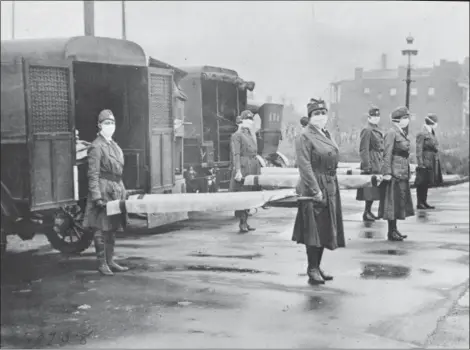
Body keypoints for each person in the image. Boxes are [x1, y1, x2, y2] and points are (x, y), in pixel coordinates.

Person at [292, 98, 345, 285]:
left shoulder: (325, 133)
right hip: (313, 185)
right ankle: (311, 268)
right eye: (316, 114)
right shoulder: (305, 136)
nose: (321, 117)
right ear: (310, 117)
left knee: (324, 228)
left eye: (323, 113)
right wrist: (315, 190)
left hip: (329, 183)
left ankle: (318, 266)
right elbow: (304, 165)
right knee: (313, 231)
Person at [83, 109, 129, 276]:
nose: (110, 126)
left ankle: (110, 260)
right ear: (99, 125)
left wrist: (123, 191)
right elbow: (93, 174)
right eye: (106, 123)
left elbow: (118, 171)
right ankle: (102, 263)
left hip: (115, 189)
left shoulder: (114, 146)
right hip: (103, 189)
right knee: (100, 228)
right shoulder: (96, 146)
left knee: (112, 227)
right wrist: (97, 197)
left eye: (112, 123)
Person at [378, 106, 414, 241]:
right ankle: (391, 231)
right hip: (394, 172)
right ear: (397, 120)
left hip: (401, 172)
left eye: (407, 117)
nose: (407, 120)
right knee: (391, 203)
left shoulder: (401, 132)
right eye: (405, 118)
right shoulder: (391, 133)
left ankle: (394, 230)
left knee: (398, 202)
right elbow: (386, 154)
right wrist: (386, 172)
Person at [229, 110, 261, 233]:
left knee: (250, 194)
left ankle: (246, 221)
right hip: (243, 166)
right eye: (247, 119)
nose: (250, 121)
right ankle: (242, 222)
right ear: (241, 121)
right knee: (243, 194)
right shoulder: (237, 135)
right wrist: (237, 170)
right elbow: (236, 154)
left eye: (251, 119)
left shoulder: (250, 134)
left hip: (252, 166)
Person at [357, 106, 384, 221]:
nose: (376, 118)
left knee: (373, 190)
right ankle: (366, 212)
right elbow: (364, 149)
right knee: (369, 190)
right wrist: (366, 165)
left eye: (377, 116)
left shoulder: (376, 129)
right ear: (369, 117)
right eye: (373, 116)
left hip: (377, 161)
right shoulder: (367, 130)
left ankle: (368, 211)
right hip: (371, 162)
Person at [415, 113, 443, 209]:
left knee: (426, 181)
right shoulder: (422, 133)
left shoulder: (431, 132)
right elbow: (419, 149)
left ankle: (424, 201)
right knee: (421, 182)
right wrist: (420, 163)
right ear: (432, 122)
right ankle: (420, 202)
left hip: (431, 159)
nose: (436, 124)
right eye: (435, 122)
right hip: (425, 159)